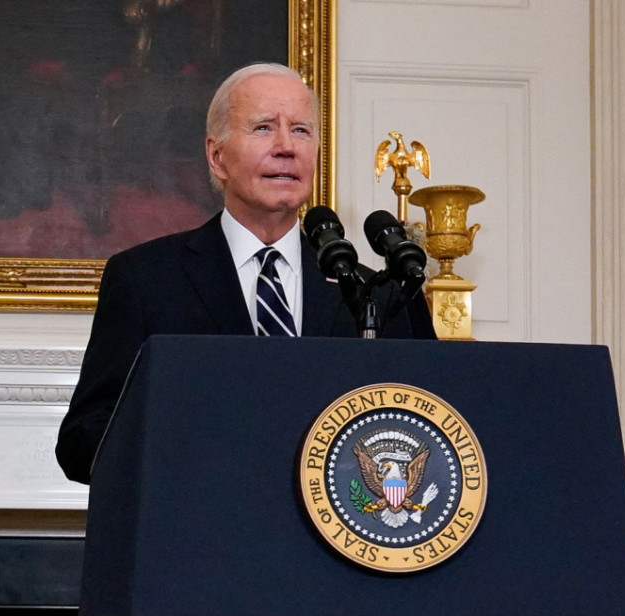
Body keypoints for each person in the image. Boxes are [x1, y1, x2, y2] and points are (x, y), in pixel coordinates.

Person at [56, 63, 437, 485]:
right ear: (217, 157)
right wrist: (197, 447)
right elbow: (82, 441)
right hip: (202, 530)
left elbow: (426, 429)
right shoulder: (145, 279)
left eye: (301, 130)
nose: (286, 147)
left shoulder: (374, 294)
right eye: (262, 128)